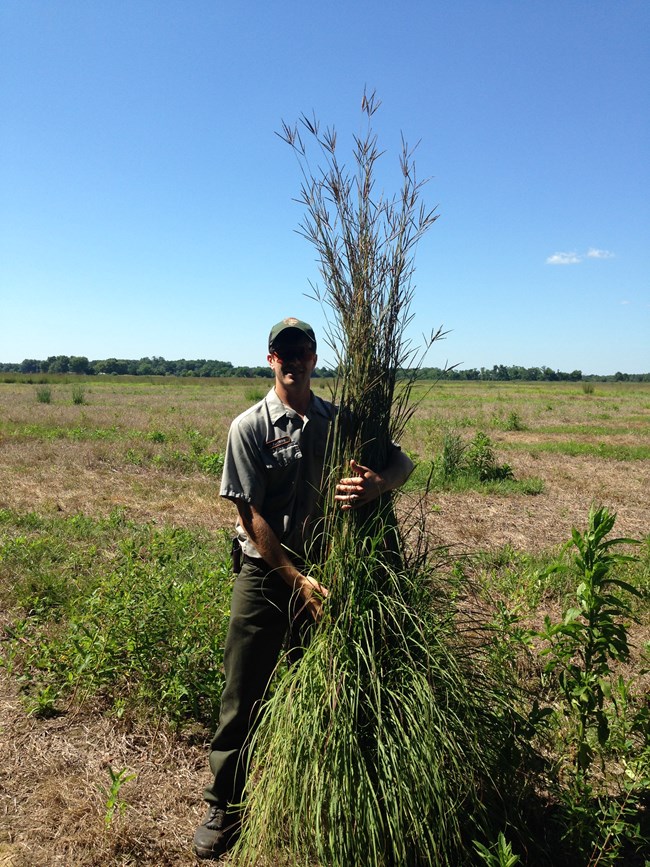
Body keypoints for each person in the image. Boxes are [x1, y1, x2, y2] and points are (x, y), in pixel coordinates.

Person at [193, 317, 414, 861]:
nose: (293, 359)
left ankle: (311, 790)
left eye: (302, 350)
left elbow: (402, 461)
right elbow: (250, 515)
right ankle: (224, 802)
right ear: (270, 360)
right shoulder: (248, 427)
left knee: (326, 686)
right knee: (243, 690)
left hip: (328, 573)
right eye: (282, 351)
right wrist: (295, 579)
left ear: (315, 359)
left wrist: (377, 486)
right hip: (266, 574)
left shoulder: (339, 422)